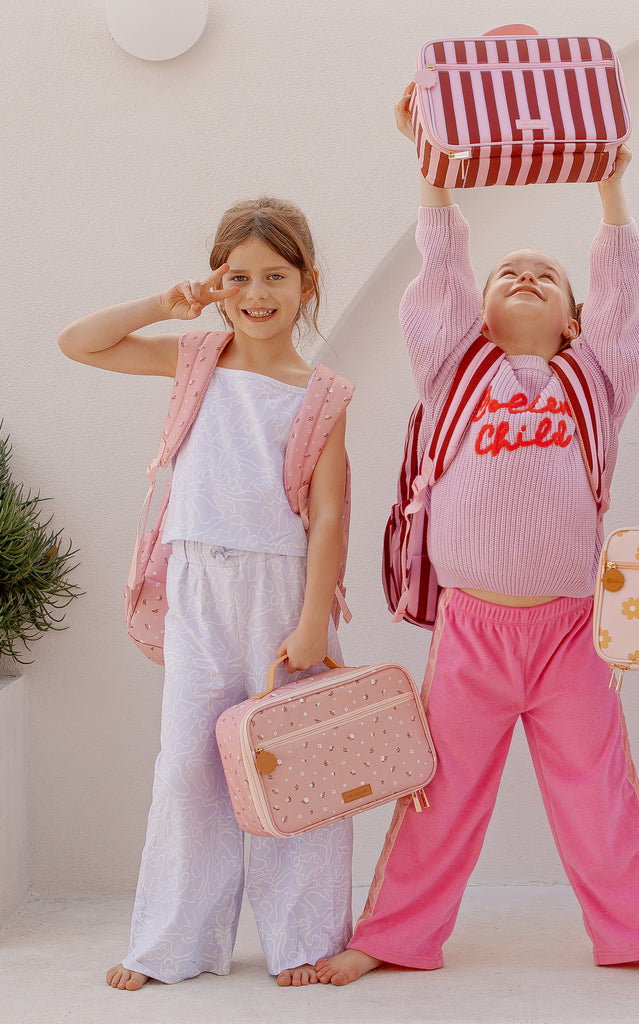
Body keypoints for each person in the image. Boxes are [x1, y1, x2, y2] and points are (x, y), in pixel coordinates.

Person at [314, 86, 639, 990]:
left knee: (598, 791)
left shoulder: (594, 379)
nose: (525, 275)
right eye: (508, 273)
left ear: (573, 320)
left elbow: (621, 295)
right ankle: (396, 934)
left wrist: (610, 188)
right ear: (479, 316)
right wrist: (433, 176)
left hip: (571, 631)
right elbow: (442, 272)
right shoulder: (457, 368)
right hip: (472, 635)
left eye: (546, 273)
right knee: (438, 793)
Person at [58, 197, 354, 989]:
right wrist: (168, 301)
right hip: (197, 587)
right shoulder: (197, 357)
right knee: (188, 766)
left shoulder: (320, 390)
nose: (258, 293)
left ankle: (306, 939)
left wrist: (314, 621)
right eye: (239, 277)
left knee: (297, 761)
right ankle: (173, 943)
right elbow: (78, 342)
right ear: (219, 283)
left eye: (276, 276)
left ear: (307, 282)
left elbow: (328, 514)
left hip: (282, 593)